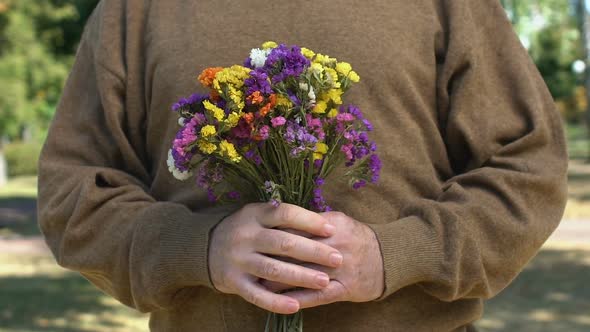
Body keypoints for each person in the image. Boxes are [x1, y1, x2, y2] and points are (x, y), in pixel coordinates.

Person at [37, 0, 568, 331]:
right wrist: (200, 248)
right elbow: (72, 194)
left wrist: (396, 254)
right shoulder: (133, 10)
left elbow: (528, 168)